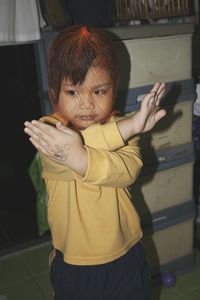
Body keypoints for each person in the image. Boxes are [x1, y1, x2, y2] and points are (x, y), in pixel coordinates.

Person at [24, 25, 166, 300]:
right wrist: (130, 125)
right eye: (73, 92)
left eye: (99, 91)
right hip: (75, 263)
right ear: (54, 91)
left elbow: (127, 171)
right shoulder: (48, 130)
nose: (87, 105)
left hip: (126, 254)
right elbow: (68, 150)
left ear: (114, 88)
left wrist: (123, 130)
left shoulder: (123, 129)